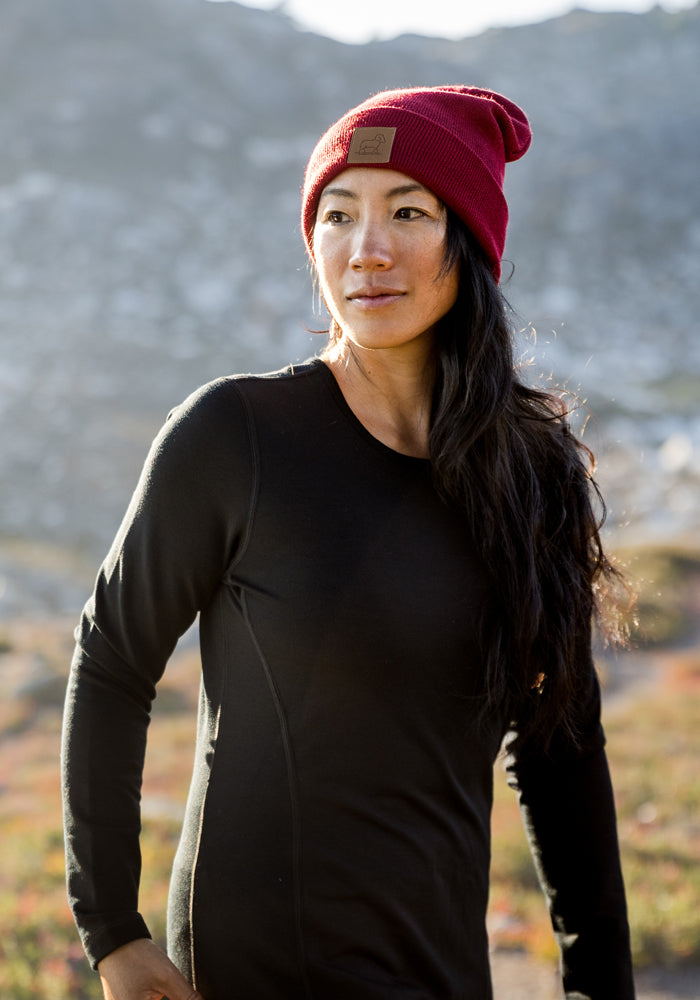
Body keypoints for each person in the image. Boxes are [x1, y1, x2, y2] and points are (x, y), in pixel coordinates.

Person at [61, 85, 636, 1000]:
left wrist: (599, 979)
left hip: (441, 960)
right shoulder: (237, 434)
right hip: (255, 960)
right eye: (338, 215)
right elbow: (112, 660)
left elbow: (559, 742)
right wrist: (113, 931)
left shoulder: (531, 473)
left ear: (470, 242)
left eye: (407, 211)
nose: (366, 249)